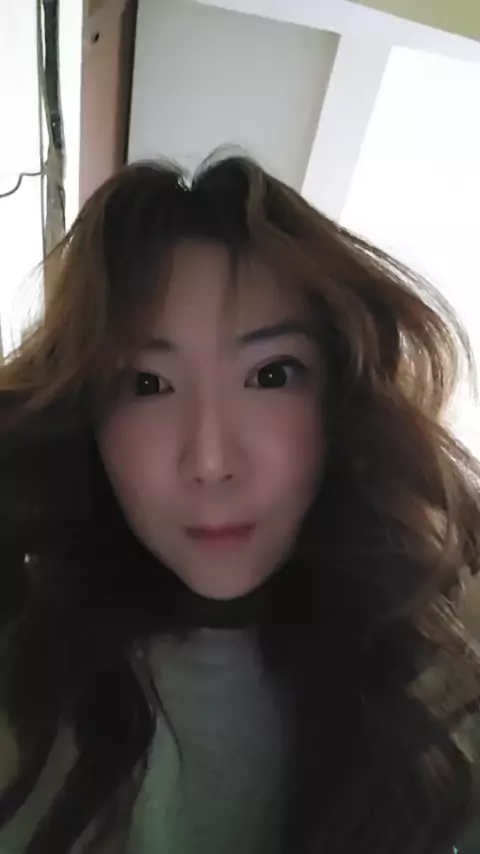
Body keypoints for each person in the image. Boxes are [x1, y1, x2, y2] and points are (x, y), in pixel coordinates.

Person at [0, 152, 479, 854]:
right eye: (145, 384)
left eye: (271, 375)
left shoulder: (442, 661)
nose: (211, 461)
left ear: (341, 398)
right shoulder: (26, 654)